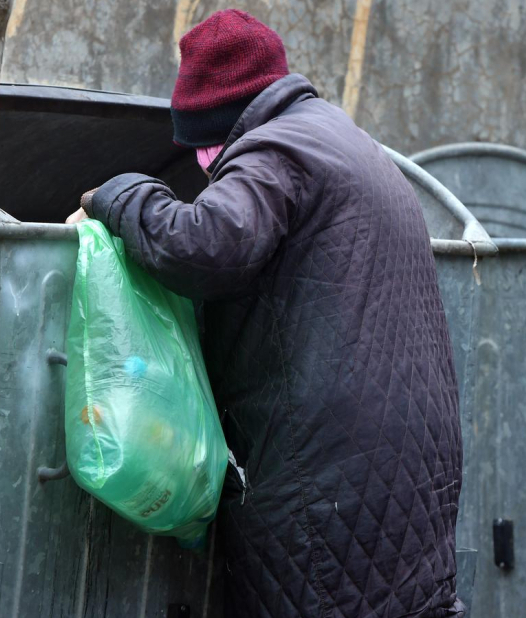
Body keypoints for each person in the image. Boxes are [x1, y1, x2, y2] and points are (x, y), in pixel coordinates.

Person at [66, 9, 464, 618]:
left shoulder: (278, 149)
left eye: (199, 144)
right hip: (401, 470)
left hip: (329, 481)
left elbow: (201, 244)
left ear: (221, 124)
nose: (200, 161)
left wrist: (117, 194)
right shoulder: (343, 139)